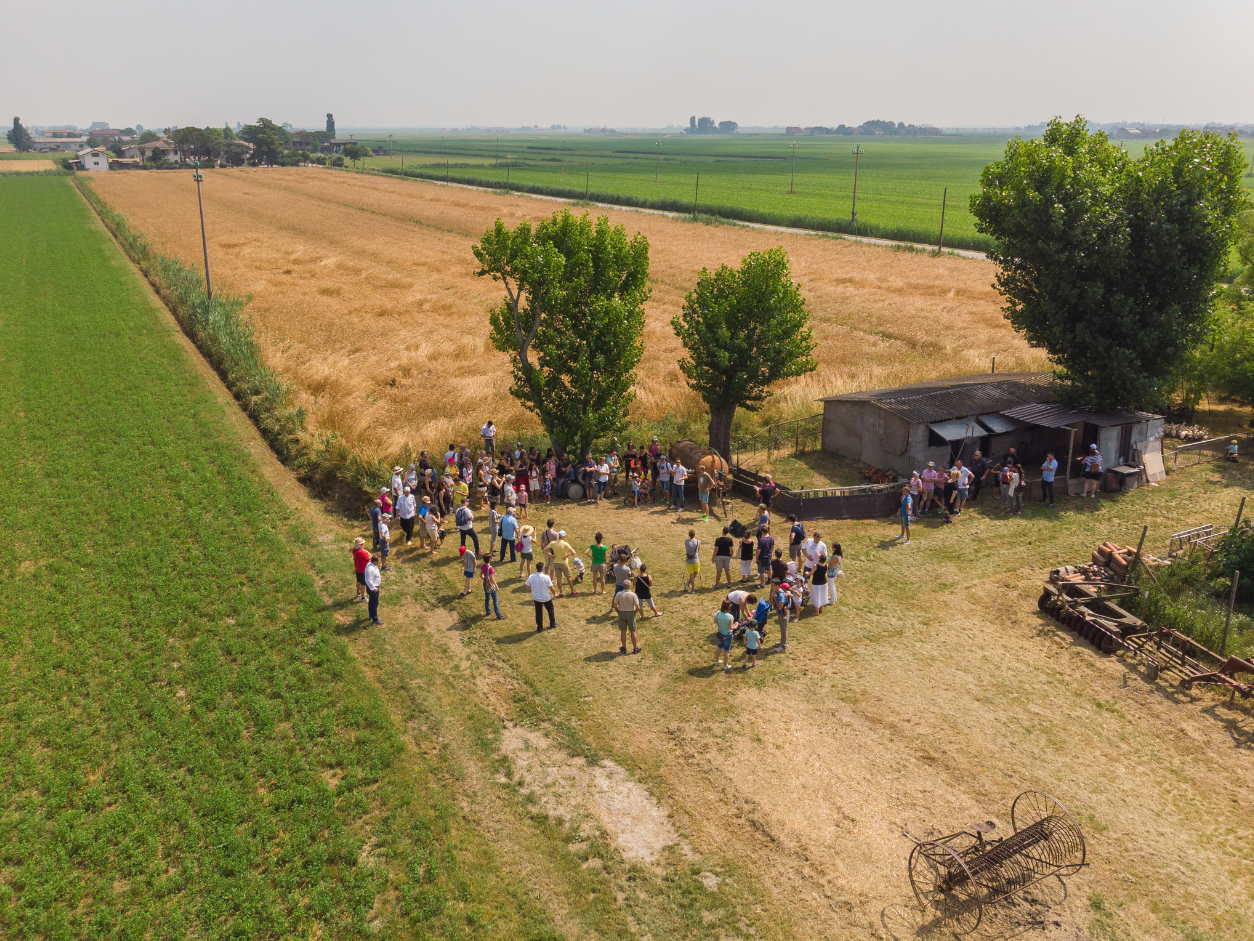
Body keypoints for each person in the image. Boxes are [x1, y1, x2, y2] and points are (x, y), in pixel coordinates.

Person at [612, 583, 643, 654]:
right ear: (630, 586)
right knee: (633, 631)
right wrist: (634, 612)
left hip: (621, 613)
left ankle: (624, 647)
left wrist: (618, 611)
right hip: (630, 613)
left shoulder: (619, 594)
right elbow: (638, 607)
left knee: (623, 631)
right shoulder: (633, 595)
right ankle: (635, 648)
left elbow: (614, 605)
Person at [526, 563, 557, 631]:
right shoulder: (546, 577)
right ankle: (552, 624)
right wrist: (554, 594)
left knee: (538, 612)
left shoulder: (531, 576)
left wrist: (530, 590)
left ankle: (539, 628)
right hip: (546, 598)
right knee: (550, 610)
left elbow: (526, 585)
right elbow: (551, 587)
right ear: (542, 569)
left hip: (536, 598)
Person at [549, 531, 577, 597]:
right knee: (568, 577)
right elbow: (573, 552)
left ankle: (561, 593)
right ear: (563, 536)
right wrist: (567, 555)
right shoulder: (565, 544)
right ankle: (572, 591)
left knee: (559, 578)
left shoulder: (553, 543)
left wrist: (551, 555)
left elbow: (545, 550)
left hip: (556, 563)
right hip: (564, 563)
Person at [715, 600, 736, 672]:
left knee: (719, 647)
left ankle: (716, 661)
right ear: (728, 607)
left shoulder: (717, 613)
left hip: (720, 633)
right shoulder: (730, 617)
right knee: (726, 650)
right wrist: (736, 625)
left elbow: (715, 621)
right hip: (728, 635)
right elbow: (731, 628)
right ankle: (725, 665)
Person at [481, 555, 504, 619]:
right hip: (491, 586)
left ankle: (488, 611)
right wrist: (497, 586)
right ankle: (498, 615)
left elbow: (480, 575)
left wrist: (485, 579)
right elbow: (493, 579)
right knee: (495, 600)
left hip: (485, 584)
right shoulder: (490, 568)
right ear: (489, 560)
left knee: (487, 598)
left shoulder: (482, 565)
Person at [365, 553, 383, 625]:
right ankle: (375, 619)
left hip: (373, 587)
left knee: (371, 602)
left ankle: (371, 615)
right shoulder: (370, 569)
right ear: (375, 561)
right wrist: (374, 588)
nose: (379, 562)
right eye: (379, 561)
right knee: (374, 603)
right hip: (373, 588)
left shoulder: (371, 565)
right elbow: (369, 580)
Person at [352, 537, 370, 602]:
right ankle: (363, 597)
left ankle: (358, 593)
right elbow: (369, 558)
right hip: (363, 569)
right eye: (361, 544)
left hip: (357, 568)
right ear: (358, 545)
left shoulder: (354, 550)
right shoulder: (361, 552)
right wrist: (368, 552)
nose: (362, 545)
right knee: (363, 584)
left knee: (358, 581)